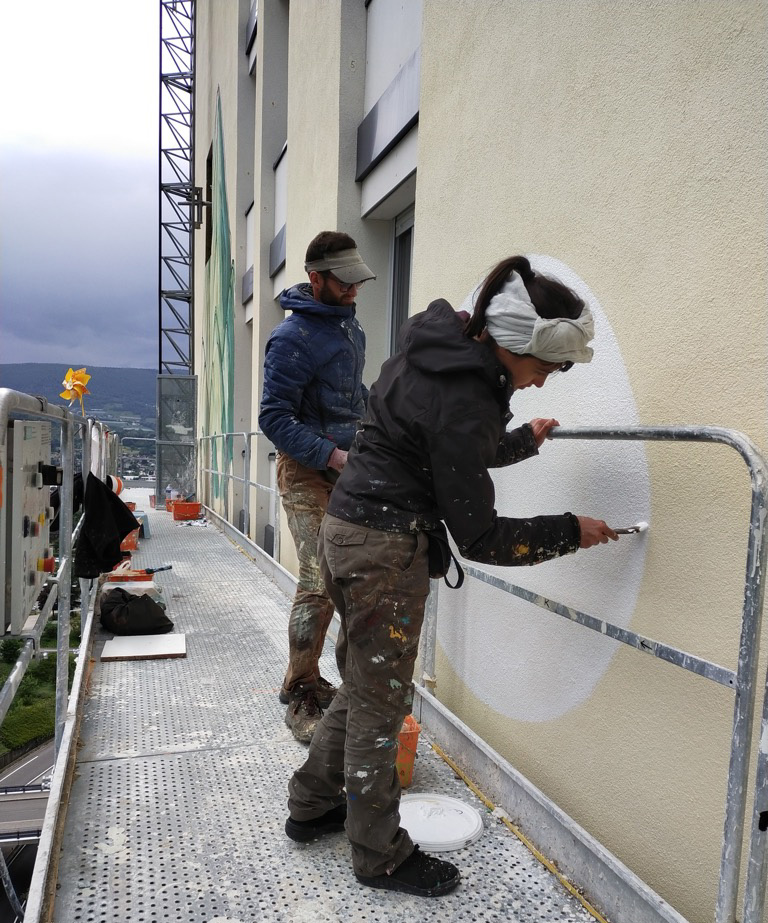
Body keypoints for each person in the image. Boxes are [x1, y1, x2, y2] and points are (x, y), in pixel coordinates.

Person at [284, 254, 619, 897]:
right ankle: (379, 855)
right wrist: (571, 531)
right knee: (381, 706)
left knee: (360, 688)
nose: (547, 382)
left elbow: (441, 445)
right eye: (551, 365)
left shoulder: (445, 347)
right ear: (519, 344)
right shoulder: (468, 394)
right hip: (384, 551)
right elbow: (482, 537)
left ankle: (311, 803)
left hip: (347, 528)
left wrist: (521, 441)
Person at [259, 230, 376, 742]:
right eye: (345, 283)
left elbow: (353, 395)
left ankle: (340, 684)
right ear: (316, 279)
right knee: (317, 576)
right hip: (307, 473)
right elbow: (274, 417)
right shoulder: (291, 339)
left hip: (350, 471)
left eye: (358, 281)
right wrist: (331, 455)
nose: (354, 290)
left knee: (355, 574)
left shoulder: (353, 332)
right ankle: (301, 687)